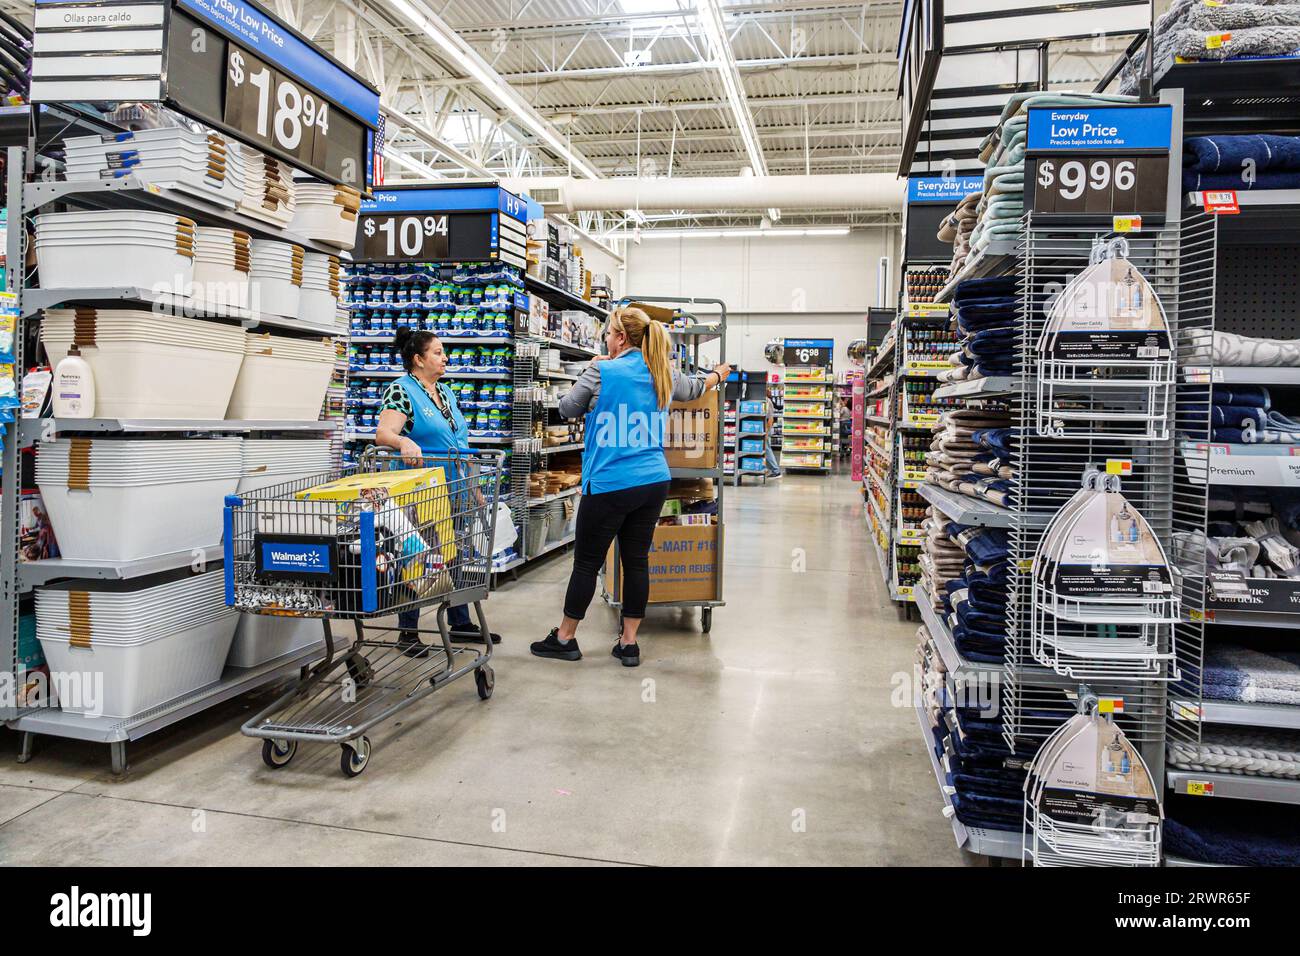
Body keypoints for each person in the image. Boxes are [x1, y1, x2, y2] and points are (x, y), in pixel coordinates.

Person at [530, 307, 731, 668]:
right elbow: (697, 388)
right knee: (636, 561)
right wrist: (718, 373)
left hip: (609, 482)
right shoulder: (663, 372)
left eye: (608, 333)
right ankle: (628, 643)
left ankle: (565, 638)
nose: (605, 339)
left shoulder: (601, 371)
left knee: (587, 564)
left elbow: (566, 408)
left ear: (621, 338)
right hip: (652, 481)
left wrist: (595, 371)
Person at [375, 326, 500, 654]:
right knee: (416, 559)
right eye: (437, 352)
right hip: (420, 493)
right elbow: (383, 433)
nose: (444, 358)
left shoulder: (445, 393)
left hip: (453, 489)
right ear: (418, 359)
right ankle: (408, 632)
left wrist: (474, 487)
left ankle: (460, 623)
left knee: (453, 557)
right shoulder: (401, 390)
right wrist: (403, 440)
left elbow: (461, 443)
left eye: (443, 353)